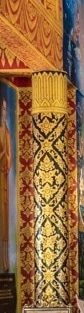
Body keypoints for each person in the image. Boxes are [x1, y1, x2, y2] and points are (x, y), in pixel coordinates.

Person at [0, 94, 12, 272]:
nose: (3, 112)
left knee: (4, 222)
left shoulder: (6, 132)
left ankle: (4, 260)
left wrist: (4, 156)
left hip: (3, 179)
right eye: (1, 109)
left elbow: (8, 158)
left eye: (5, 109)